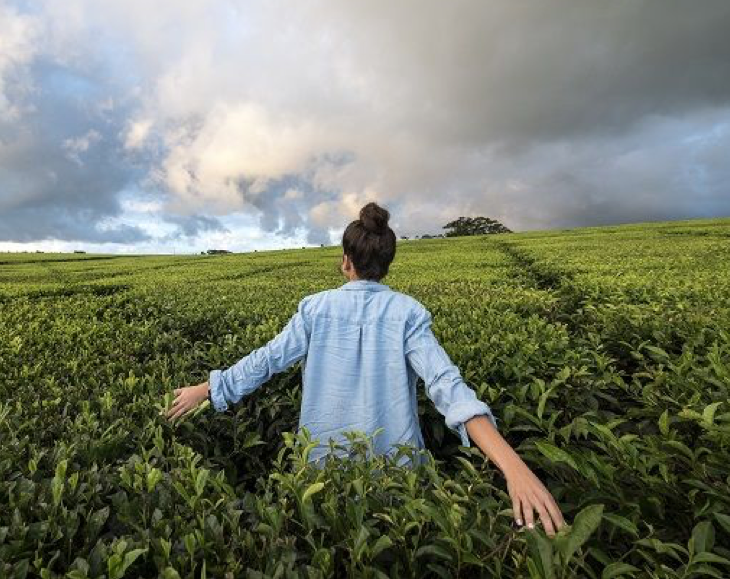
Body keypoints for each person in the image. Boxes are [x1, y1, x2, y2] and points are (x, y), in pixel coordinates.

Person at [165, 202, 566, 537]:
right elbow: (449, 388)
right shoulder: (407, 314)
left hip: (321, 476)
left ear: (345, 261)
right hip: (398, 482)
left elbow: (267, 359)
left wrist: (209, 388)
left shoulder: (315, 308)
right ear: (386, 265)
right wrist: (514, 467)